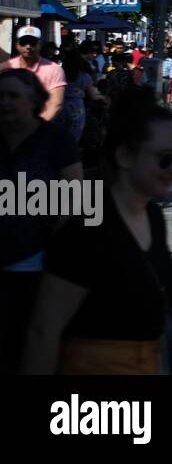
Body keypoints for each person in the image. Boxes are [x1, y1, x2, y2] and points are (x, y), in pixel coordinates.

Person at [22, 87, 172, 374]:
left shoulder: (153, 217)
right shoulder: (87, 231)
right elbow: (43, 332)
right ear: (124, 156)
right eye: (164, 159)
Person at [0, 67, 82, 373]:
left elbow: (74, 196)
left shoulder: (54, 140)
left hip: (36, 263)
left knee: (28, 341)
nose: (5, 103)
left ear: (33, 100)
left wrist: (58, 250)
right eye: (1, 96)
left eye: (13, 96)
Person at [5, 26, 67, 123]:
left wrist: (36, 128)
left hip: (40, 126)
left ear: (39, 45)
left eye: (32, 43)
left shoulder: (54, 69)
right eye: (23, 43)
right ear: (17, 45)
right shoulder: (6, 68)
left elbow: (55, 104)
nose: (28, 46)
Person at [58, 48, 100, 147]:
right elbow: (93, 95)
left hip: (59, 107)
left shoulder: (58, 75)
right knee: (73, 140)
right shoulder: (84, 76)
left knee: (58, 139)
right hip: (77, 108)